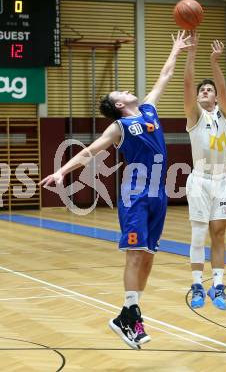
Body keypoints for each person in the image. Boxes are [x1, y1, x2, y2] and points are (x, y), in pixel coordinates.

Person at [39, 31, 192, 349]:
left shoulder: (149, 109)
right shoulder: (118, 127)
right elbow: (87, 152)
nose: (126, 89)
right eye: (120, 90)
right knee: (135, 255)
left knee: (148, 259)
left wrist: (175, 48)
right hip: (134, 195)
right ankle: (131, 316)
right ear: (119, 104)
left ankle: (127, 315)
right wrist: (61, 172)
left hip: (158, 196)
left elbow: (164, 76)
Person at [184, 32, 226, 311]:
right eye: (203, 90)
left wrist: (214, 62)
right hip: (200, 180)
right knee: (199, 234)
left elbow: (224, 91)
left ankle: (218, 285)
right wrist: (192, 53)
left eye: (209, 90)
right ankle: (197, 284)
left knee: (219, 232)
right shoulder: (194, 115)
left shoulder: (224, 114)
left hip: (221, 180)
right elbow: (189, 85)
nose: (205, 91)